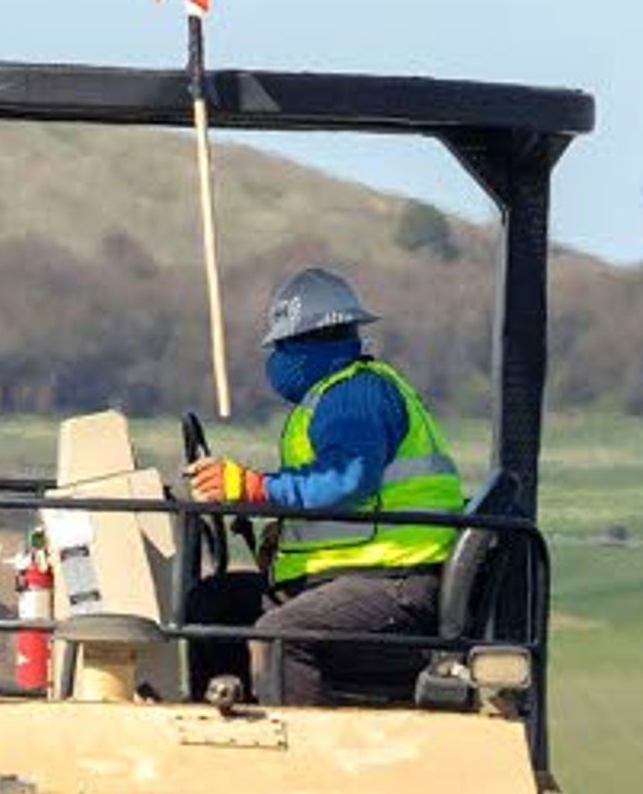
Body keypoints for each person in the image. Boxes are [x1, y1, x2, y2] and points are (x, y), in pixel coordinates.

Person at [183, 266, 467, 707]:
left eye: (282, 346)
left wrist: (253, 488)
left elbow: (344, 479)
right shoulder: (332, 395)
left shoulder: (356, 394)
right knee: (212, 605)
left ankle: (298, 761)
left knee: (283, 634)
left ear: (309, 344)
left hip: (394, 587)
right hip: (348, 578)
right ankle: (218, 731)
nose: (276, 359)